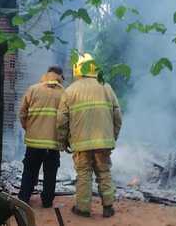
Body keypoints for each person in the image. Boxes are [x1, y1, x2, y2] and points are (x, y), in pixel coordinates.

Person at [57, 53, 122, 218]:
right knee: (104, 172)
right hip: (103, 142)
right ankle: (108, 207)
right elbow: (117, 116)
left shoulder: (70, 91)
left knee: (84, 174)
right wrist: (112, 137)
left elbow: (61, 121)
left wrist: (63, 142)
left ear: (76, 69)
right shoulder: (106, 87)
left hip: (81, 143)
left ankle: (83, 209)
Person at [17, 66, 65, 208]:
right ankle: (47, 201)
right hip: (53, 143)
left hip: (33, 142)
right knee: (50, 173)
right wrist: (64, 138)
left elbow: (22, 113)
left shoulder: (33, 89)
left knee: (30, 170)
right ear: (59, 76)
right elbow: (66, 118)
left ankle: (24, 198)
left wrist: (29, 128)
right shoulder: (63, 93)